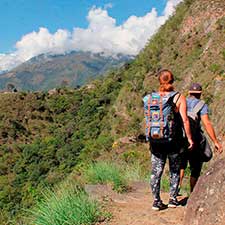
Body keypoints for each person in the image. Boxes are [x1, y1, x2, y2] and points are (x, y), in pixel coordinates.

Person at [143, 69, 193, 211]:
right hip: (173, 140)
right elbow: (185, 120)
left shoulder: (150, 98)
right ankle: (172, 199)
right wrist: (189, 138)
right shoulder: (178, 97)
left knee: (156, 171)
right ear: (172, 81)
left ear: (159, 81)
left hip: (155, 140)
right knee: (175, 169)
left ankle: (156, 201)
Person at [179, 83, 223, 193]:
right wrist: (215, 142)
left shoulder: (181, 102)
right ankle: (193, 194)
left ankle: (175, 193)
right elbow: (207, 123)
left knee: (181, 165)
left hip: (180, 139)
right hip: (194, 140)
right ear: (200, 94)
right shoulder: (202, 105)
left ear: (189, 93)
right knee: (195, 167)